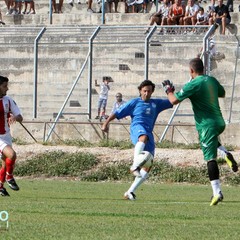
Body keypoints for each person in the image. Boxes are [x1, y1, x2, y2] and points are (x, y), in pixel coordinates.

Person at [162, 58, 238, 206]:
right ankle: (226, 153)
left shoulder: (193, 84)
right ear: (203, 69)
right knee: (211, 144)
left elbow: (173, 100)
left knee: (210, 158)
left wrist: (168, 90)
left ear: (191, 71)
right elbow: (222, 93)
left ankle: (217, 193)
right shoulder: (211, 80)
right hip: (220, 122)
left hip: (206, 125)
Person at [101, 80, 173, 200]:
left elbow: (172, 101)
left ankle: (130, 192)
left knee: (148, 166)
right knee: (143, 137)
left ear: (152, 92)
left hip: (149, 133)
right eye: (144, 91)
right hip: (137, 129)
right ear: (140, 91)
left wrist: (170, 91)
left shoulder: (156, 103)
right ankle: (134, 165)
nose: (146, 93)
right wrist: (105, 123)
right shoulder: (134, 102)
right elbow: (117, 113)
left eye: (149, 91)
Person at [0, 76, 23, 197]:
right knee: (12, 154)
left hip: (6, 135)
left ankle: (0, 186)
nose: (7, 88)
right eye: (4, 86)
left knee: (5, 163)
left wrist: (15, 117)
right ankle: (9, 177)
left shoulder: (8, 100)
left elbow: (20, 117)